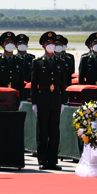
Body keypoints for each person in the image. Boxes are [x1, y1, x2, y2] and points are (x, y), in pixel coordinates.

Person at [30, 31, 68, 170]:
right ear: (43, 46)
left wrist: (63, 101)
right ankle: (42, 160)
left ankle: (53, 161)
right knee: (43, 132)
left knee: (54, 132)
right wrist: (34, 102)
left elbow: (63, 84)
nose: (51, 46)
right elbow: (33, 84)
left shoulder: (61, 63)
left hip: (56, 99)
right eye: (48, 44)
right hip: (43, 99)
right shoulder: (38, 62)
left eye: (53, 44)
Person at [0, 31, 27, 96]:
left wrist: (21, 99)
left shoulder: (19, 60)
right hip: (0, 92)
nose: (10, 44)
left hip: (15, 93)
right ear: (2, 45)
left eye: (11, 42)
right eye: (7, 42)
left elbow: (21, 81)